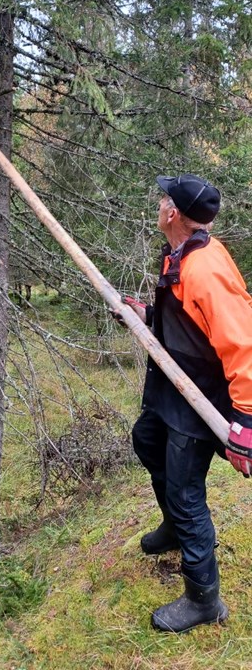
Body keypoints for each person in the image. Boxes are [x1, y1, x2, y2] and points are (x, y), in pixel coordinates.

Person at [118, 173, 252, 633]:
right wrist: (146, 317)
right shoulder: (180, 255)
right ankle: (176, 527)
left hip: (200, 397)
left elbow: (242, 342)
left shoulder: (206, 268)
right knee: (147, 442)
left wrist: (246, 420)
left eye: (162, 199)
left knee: (185, 491)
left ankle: (203, 599)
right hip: (172, 388)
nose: (158, 204)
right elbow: (189, 322)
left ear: (173, 212)